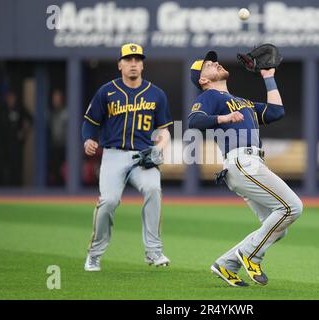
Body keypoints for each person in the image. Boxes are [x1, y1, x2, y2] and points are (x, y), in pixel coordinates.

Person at [187, 51, 303, 287]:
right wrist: (223, 119)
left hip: (250, 164)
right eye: (209, 65)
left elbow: (276, 112)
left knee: (279, 226)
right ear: (202, 80)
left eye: (215, 61)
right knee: (292, 207)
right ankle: (251, 254)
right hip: (242, 162)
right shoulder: (210, 96)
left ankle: (226, 263)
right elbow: (194, 120)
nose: (216, 63)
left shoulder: (242, 101)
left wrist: (268, 76)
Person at [82, 43, 173, 271]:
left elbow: (164, 130)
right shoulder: (107, 91)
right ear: (120, 64)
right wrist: (88, 140)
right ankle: (94, 254)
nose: (133, 63)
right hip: (113, 155)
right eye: (129, 59)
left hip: (143, 157)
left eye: (137, 60)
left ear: (142, 65)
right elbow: (90, 122)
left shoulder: (156, 94)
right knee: (109, 201)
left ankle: (154, 252)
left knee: (153, 190)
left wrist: (161, 147)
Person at [0, 91, 32, 185]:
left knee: (16, 167)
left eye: (13, 97)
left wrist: (24, 132)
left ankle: (17, 188)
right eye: (9, 98)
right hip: (3, 143)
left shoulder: (20, 109)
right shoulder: (2, 109)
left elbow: (31, 120)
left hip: (16, 144)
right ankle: (2, 188)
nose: (11, 100)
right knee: (3, 166)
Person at [48, 89, 68, 185]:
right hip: (54, 145)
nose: (55, 101)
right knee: (54, 169)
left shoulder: (66, 113)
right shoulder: (50, 113)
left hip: (64, 146)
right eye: (54, 99)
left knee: (63, 170)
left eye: (57, 99)